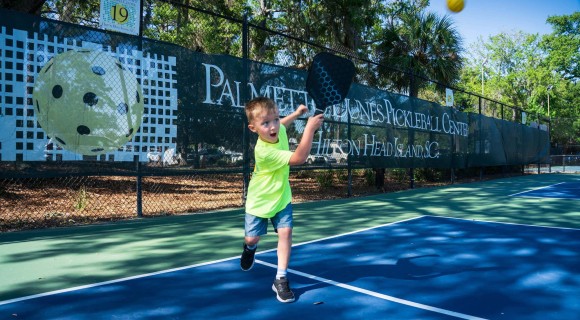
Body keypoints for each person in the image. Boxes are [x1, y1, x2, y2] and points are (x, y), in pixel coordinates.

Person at [240, 97, 324, 303]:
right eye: (265, 123)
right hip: (259, 201)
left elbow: (282, 126)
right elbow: (298, 158)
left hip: (282, 197)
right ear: (253, 128)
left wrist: (295, 115)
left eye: (275, 119)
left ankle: (281, 278)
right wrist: (309, 129)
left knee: (285, 233)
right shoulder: (263, 151)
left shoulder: (278, 129)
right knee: (252, 239)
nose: (273, 126)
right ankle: (250, 248)